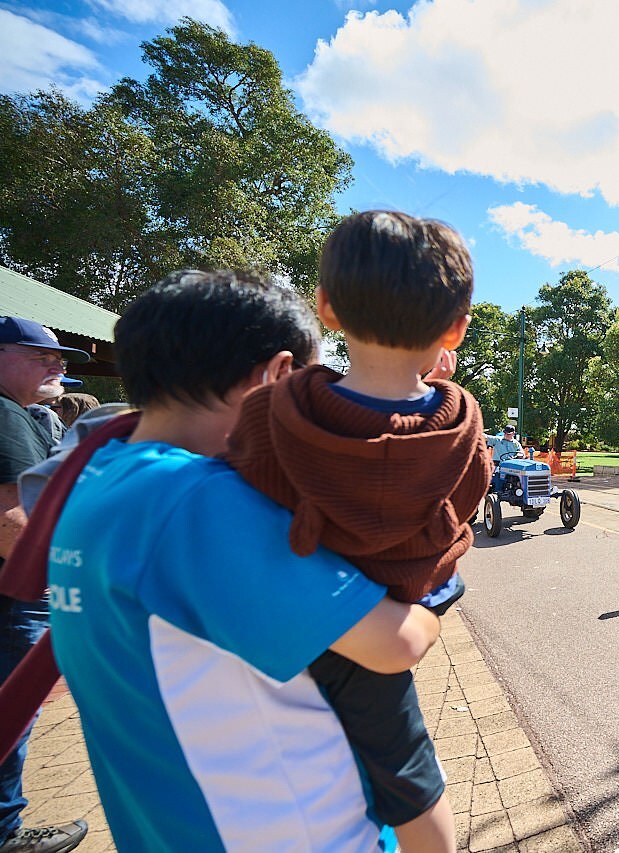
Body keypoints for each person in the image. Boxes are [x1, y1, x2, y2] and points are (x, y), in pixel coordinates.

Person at [38, 272, 443, 851]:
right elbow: (393, 643)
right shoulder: (194, 499)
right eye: (309, 383)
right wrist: (434, 594)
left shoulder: (96, 476)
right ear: (277, 376)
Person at [224, 210, 490, 852]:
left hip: (295, 614)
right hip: (394, 614)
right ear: (455, 328)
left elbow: (245, 479)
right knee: (409, 775)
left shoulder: (277, 407)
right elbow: (470, 494)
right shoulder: (459, 420)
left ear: (327, 309)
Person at [0, 317, 90, 853]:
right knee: (14, 708)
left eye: (57, 356)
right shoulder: (6, 414)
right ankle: (6, 831)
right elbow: (11, 519)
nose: (56, 364)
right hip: (16, 598)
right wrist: (73, 574)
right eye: (39, 355)